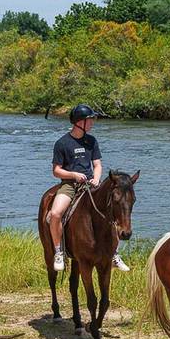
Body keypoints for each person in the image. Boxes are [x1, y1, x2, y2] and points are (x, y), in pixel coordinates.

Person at [48, 104, 129, 272]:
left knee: (113, 210)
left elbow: (97, 165)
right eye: (89, 120)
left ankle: (114, 253)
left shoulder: (91, 141)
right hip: (70, 185)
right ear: (79, 122)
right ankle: (58, 252)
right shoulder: (62, 143)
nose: (92, 122)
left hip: (91, 185)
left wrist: (96, 179)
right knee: (55, 214)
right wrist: (73, 175)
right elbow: (56, 171)